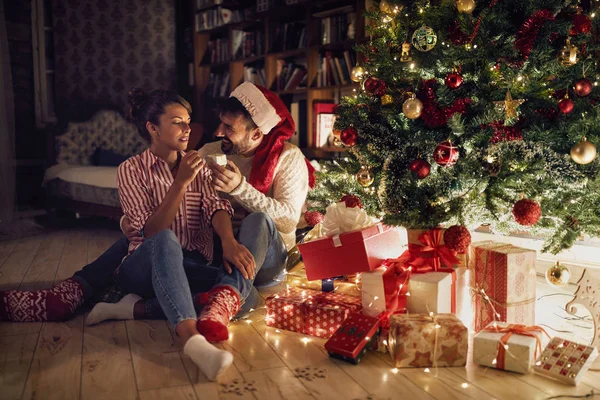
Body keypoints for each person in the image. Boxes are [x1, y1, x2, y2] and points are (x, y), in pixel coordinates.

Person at [0, 82, 313, 339]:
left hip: (261, 252)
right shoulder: (209, 153)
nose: (217, 132)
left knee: (252, 240)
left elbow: (281, 218)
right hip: (219, 252)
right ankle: (72, 291)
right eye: (220, 122)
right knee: (147, 241)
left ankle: (123, 303)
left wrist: (238, 191)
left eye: (229, 128)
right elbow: (161, 220)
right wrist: (132, 220)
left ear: (256, 134)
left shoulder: (288, 158)